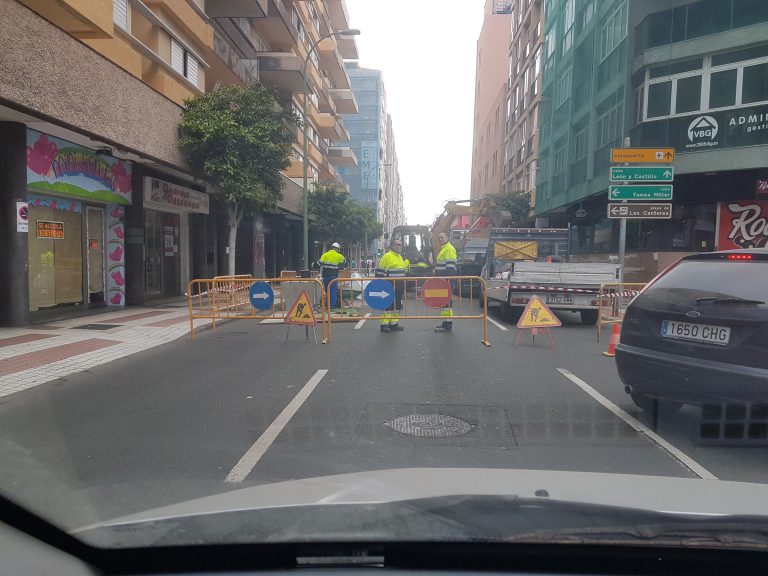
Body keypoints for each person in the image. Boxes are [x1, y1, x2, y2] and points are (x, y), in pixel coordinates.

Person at [375, 240, 407, 333]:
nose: (400, 246)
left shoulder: (400, 257)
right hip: (388, 284)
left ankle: (394, 324)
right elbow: (379, 271)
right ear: (392, 246)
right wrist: (379, 284)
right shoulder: (387, 256)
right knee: (387, 305)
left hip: (399, 285)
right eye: (398, 245)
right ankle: (384, 325)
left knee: (396, 305)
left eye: (400, 245)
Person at [434, 231, 457, 332]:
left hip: (446, 281)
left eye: (442, 238)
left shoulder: (448, 249)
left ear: (447, 237)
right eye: (439, 238)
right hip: (443, 281)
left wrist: (447, 282)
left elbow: (450, 268)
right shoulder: (444, 248)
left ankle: (447, 324)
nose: (440, 239)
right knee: (444, 302)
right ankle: (445, 323)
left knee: (447, 303)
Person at [317, 242, 346, 308]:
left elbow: (319, 263)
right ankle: (332, 305)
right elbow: (344, 261)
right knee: (333, 290)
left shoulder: (325, 255)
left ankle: (328, 303)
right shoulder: (339, 256)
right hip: (334, 277)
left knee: (327, 290)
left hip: (326, 276)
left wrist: (313, 264)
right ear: (338, 249)